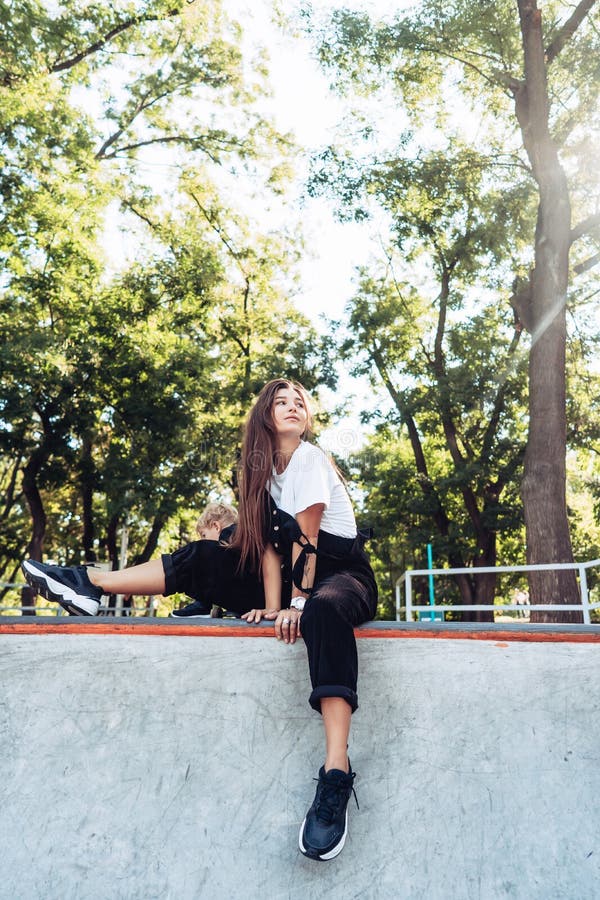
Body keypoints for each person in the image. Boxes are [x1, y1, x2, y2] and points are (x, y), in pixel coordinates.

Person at [21, 379, 378, 861]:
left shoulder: (310, 460)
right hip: (295, 574)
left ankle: (336, 772)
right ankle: (92, 586)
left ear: (307, 419)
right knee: (208, 555)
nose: (293, 407)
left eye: (300, 403)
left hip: (341, 575)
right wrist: (274, 605)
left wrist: (296, 604)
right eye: (282, 402)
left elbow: (307, 540)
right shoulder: (260, 476)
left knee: (323, 609)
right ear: (264, 417)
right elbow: (272, 550)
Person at [170, 502, 238, 618]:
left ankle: (202, 606)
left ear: (216, 527)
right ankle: (204, 604)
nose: (202, 541)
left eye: (204, 535)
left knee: (205, 557)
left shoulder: (231, 534)